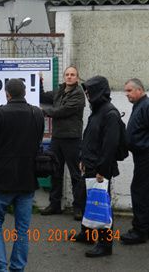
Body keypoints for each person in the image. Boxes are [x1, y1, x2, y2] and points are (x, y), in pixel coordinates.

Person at [0, 79, 44, 272]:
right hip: (27, 177)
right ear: (24, 92)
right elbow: (37, 140)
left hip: (2, 178)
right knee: (22, 229)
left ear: (7, 94)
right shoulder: (37, 113)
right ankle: (17, 267)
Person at [76, 75, 120, 257]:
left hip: (100, 170)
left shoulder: (110, 113)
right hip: (90, 165)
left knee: (101, 206)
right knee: (88, 201)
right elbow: (89, 138)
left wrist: (102, 170)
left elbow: (110, 146)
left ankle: (105, 244)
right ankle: (87, 234)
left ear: (99, 91)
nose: (87, 94)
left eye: (89, 91)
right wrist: (82, 159)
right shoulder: (98, 110)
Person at [40, 66, 86, 220]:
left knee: (75, 174)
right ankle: (54, 205)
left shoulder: (79, 94)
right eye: (67, 74)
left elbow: (63, 110)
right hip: (57, 137)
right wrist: (38, 82)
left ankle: (78, 207)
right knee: (55, 171)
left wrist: (45, 111)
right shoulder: (60, 91)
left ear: (77, 78)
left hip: (72, 138)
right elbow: (43, 97)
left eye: (72, 74)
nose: (69, 77)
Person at [120, 78, 149, 244]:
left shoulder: (146, 106)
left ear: (139, 90)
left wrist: (143, 146)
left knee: (139, 191)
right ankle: (144, 227)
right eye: (126, 91)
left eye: (129, 91)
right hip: (141, 156)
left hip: (145, 156)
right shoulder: (139, 106)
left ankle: (139, 231)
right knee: (143, 192)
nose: (126, 94)